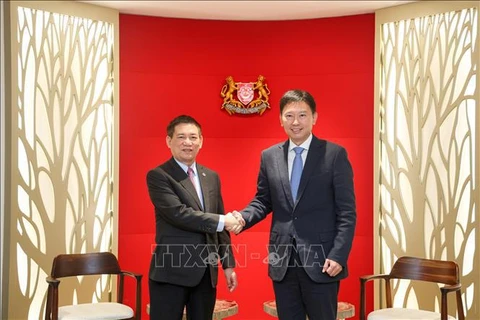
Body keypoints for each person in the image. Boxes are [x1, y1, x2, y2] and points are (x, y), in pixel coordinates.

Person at [233, 89, 356, 320]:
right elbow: (263, 200)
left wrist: (338, 255)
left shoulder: (334, 155)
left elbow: (347, 212)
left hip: (323, 262)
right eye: (289, 116)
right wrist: (242, 217)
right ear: (280, 119)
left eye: (302, 115)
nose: (295, 122)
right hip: (283, 262)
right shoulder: (269, 156)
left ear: (314, 117)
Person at [146, 115, 243, 320]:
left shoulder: (212, 177)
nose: (187, 142)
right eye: (181, 137)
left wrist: (228, 265)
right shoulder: (159, 176)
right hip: (171, 274)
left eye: (193, 137)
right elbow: (179, 214)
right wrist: (223, 220)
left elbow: (221, 229)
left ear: (201, 141)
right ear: (168, 141)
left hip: (206, 275)